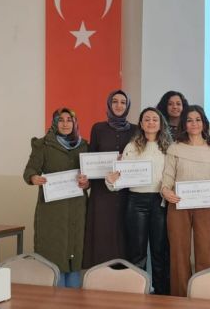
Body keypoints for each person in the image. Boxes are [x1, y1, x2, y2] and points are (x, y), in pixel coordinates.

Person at [161, 105, 210, 297]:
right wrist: (166, 191)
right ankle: (180, 296)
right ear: (184, 124)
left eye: (198, 119)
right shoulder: (175, 147)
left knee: (205, 251)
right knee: (179, 252)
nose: (194, 123)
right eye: (189, 120)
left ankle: (203, 294)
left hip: (205, 205)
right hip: (178, 203)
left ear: (204, 123)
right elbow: (167, 176)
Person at [105, 107, 173, 295]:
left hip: (161, 202)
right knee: (137, 251)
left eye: (155, 119)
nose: (151, 122)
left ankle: (161, 294)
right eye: (147, 119)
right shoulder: (131, 147)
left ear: (161, 124)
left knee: (160, 251)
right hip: (136, 202)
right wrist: (111, 180)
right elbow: (119, 180)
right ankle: (138, 293)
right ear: (141, 124)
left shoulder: (170, 148)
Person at [23, 108, 89, 287]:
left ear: (75, 123)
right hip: (52, 210)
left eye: (69, 120)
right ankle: (55, 297)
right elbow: (30, 169)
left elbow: (89, 175)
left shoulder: (84, 145)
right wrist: (33, 177)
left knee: (75, 251)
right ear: (54, 123)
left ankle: (73, 296)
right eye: (61, 120)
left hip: (77, 207)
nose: (65, 123)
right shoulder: (43, 144)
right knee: (54, 251)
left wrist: (87, 183)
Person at [83, 90, 137, 269]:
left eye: (123, 102)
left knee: (124, 234)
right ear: (109, 104)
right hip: (101, 192)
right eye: (115, 101)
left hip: (126, 192)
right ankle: (99, 275)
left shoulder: (136, 130)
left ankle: (123, 276)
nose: (119, 105)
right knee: (102, 234)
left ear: (127, 106)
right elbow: (91, 157)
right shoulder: (98, 128)